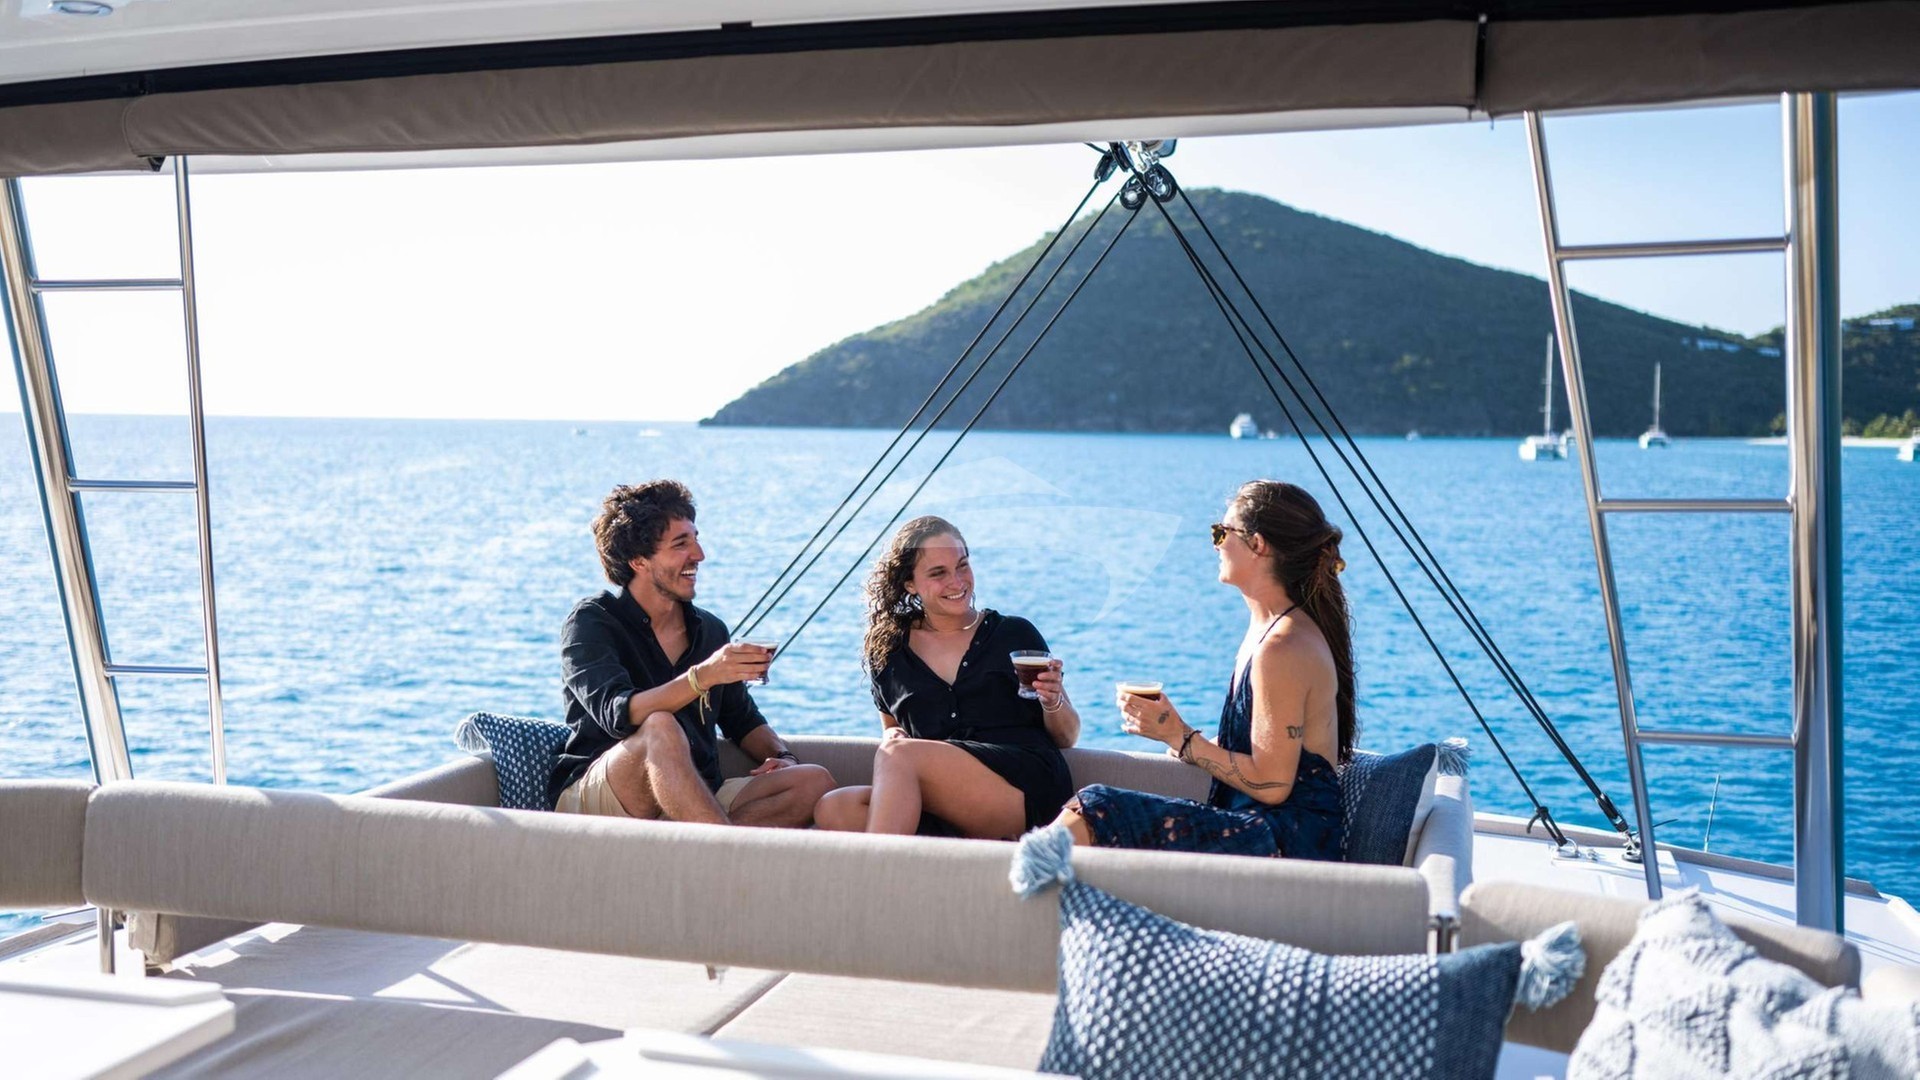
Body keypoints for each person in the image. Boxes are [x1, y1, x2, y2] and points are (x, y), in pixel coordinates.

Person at [1050, 480, 1351, 860]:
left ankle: (1011, 879)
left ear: (1258, 545)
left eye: (1221, 532)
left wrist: (1181, 737)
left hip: (1288, 843)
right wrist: (1177, 735)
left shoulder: (1283, 647)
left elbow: (1274, 784)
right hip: (1265, 827)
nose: (1216, 544)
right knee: (1091, 810)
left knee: (1096, 807)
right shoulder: (1270, 630)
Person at [548, 480, 834, 826]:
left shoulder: (710, 630)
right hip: (605, 793)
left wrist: (783, 756)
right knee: (660, 727)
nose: (699, 555)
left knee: (813, 781)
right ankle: (719, 845)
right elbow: (618, 714)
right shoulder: (592, 621)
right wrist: (703, 677)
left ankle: (697, 842)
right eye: (681, 544)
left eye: (696, 539)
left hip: (693, 793)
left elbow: (741, 719)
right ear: (638, 560)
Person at [814, 516, 1080, 839]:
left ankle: (879, 868)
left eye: (962, 566)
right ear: (909, 583)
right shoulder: (889, 650)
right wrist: (893, 736)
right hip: (945, 800)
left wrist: (1053, 701)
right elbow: (892, 729)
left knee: (898, 757)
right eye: (938, 573)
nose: (957, 581)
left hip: (1023, 789)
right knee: (834, 807)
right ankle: (936, 858)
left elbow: (1067, 738)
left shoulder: (1014, 633)